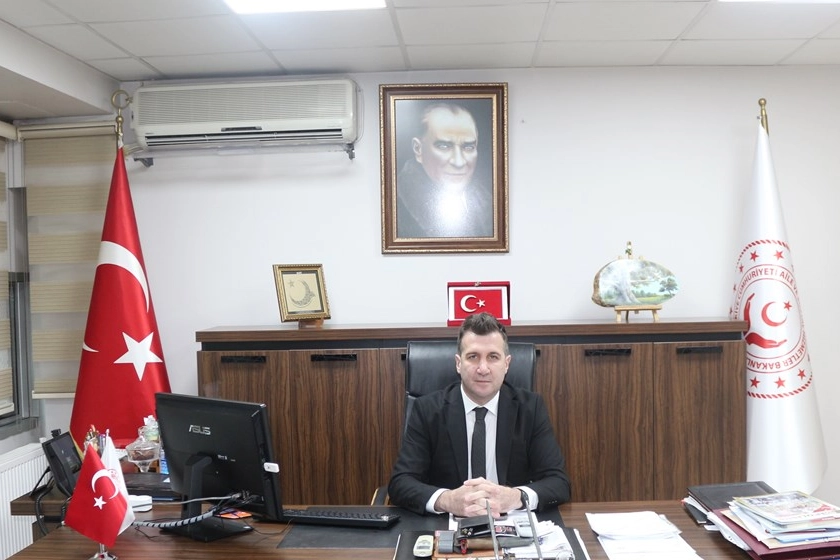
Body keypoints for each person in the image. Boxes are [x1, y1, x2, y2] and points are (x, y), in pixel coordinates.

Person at [388, 312, 571, 517]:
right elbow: (401, 483)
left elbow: (558, 482)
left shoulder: (530, 408)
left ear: (507, 364)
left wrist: (515, 497)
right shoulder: (427, 410)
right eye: (473, 356)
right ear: (458, 363)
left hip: (509, 522)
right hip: (448, 523)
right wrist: (447, 500)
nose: (483, 369)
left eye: (493, 357)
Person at [396, 102, 494, 239]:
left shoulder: (487, 201)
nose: (459, 162)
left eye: (468, 147)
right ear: (418, 149)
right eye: (444, 146)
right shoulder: (397, 207)